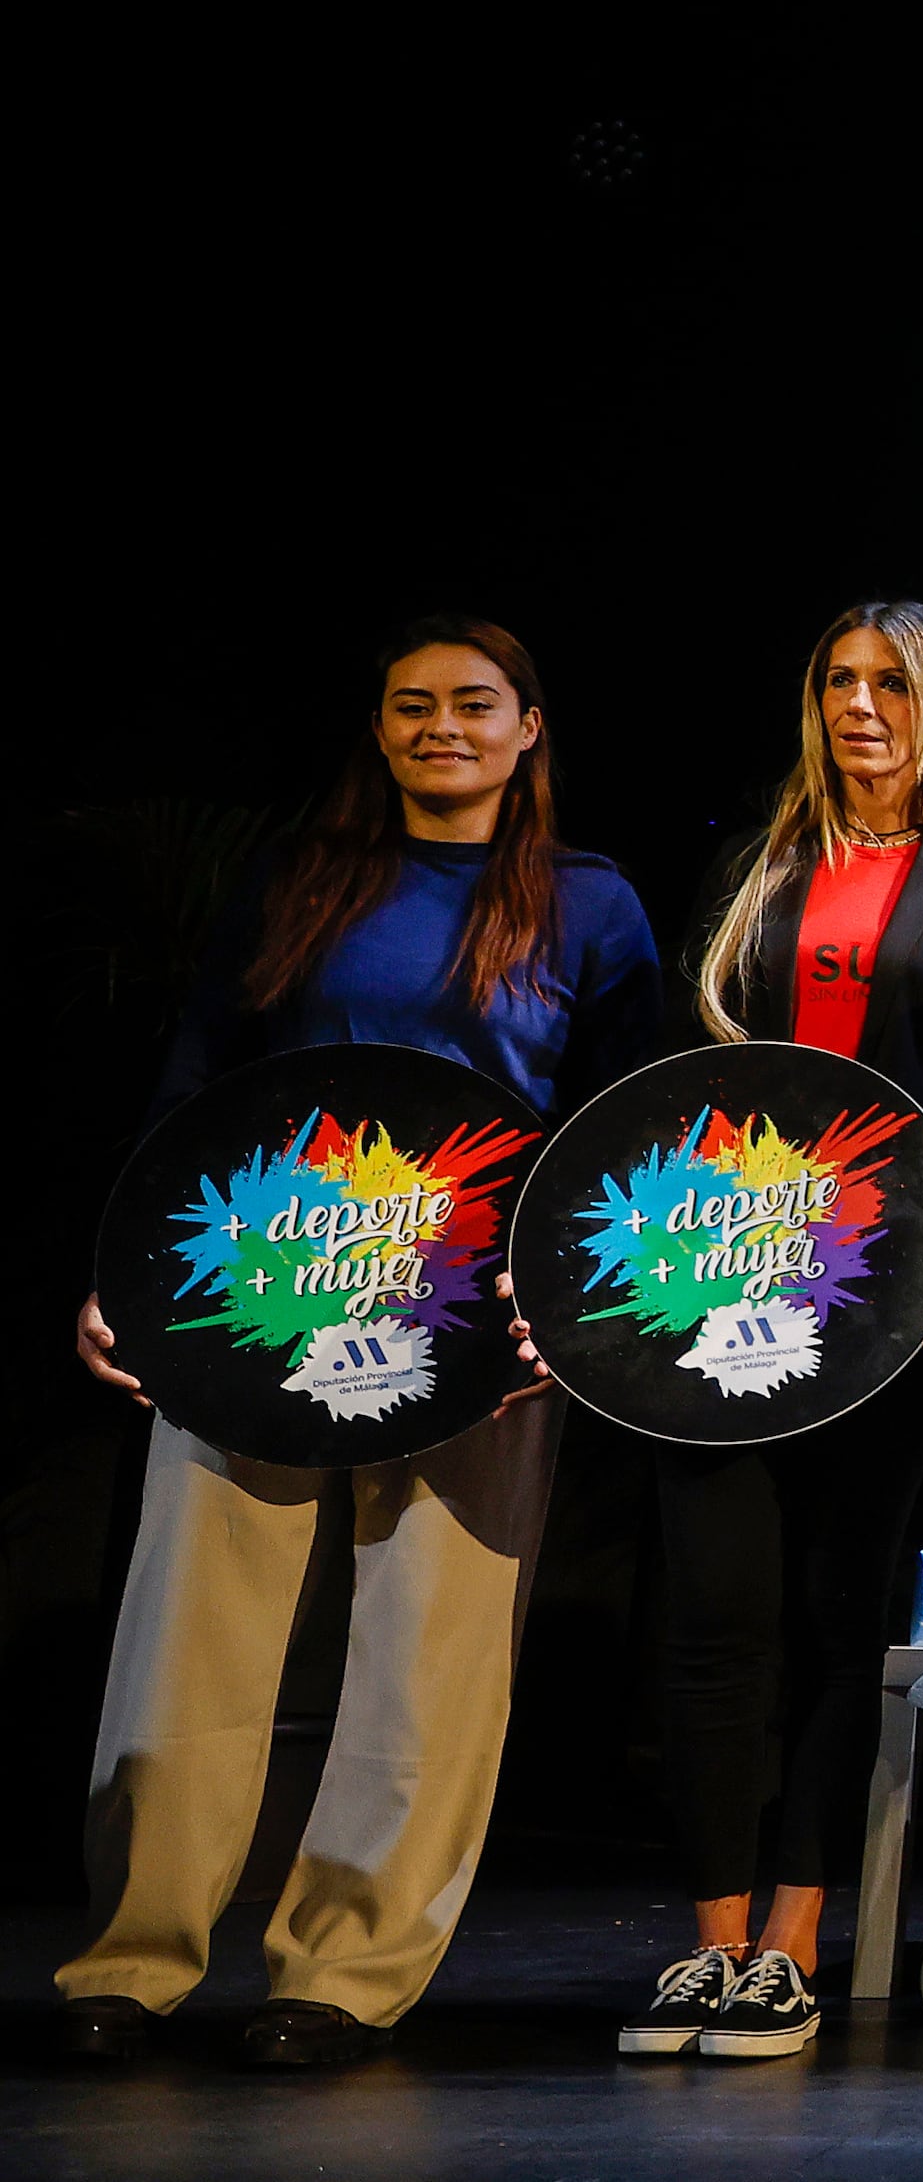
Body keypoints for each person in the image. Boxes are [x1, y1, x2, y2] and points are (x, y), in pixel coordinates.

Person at [61, 620, 663, 2068]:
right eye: (412, 705)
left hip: (475, 1323)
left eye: (473, 703)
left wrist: (569, 1314)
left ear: (529, 727)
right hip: (264, 1294)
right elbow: (199, 1078)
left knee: (429, 1650)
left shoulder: (590, 905)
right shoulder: (300, 877)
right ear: (379, 729)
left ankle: (344, 1971)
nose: (439, 726)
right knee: (187, 1635)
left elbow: (624, 1125)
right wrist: (126, 1275)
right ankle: (133, 1960)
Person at [629, 602, 923, 2064]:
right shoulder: (755, 869)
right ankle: (709, 1944)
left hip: (891, 1308)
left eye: (891, 683)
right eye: (839, 682)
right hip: (723, 1290)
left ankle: (792, 1946)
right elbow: (675, 1084)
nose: (861, 705)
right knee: (712, 1616)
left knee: (829, 1608)